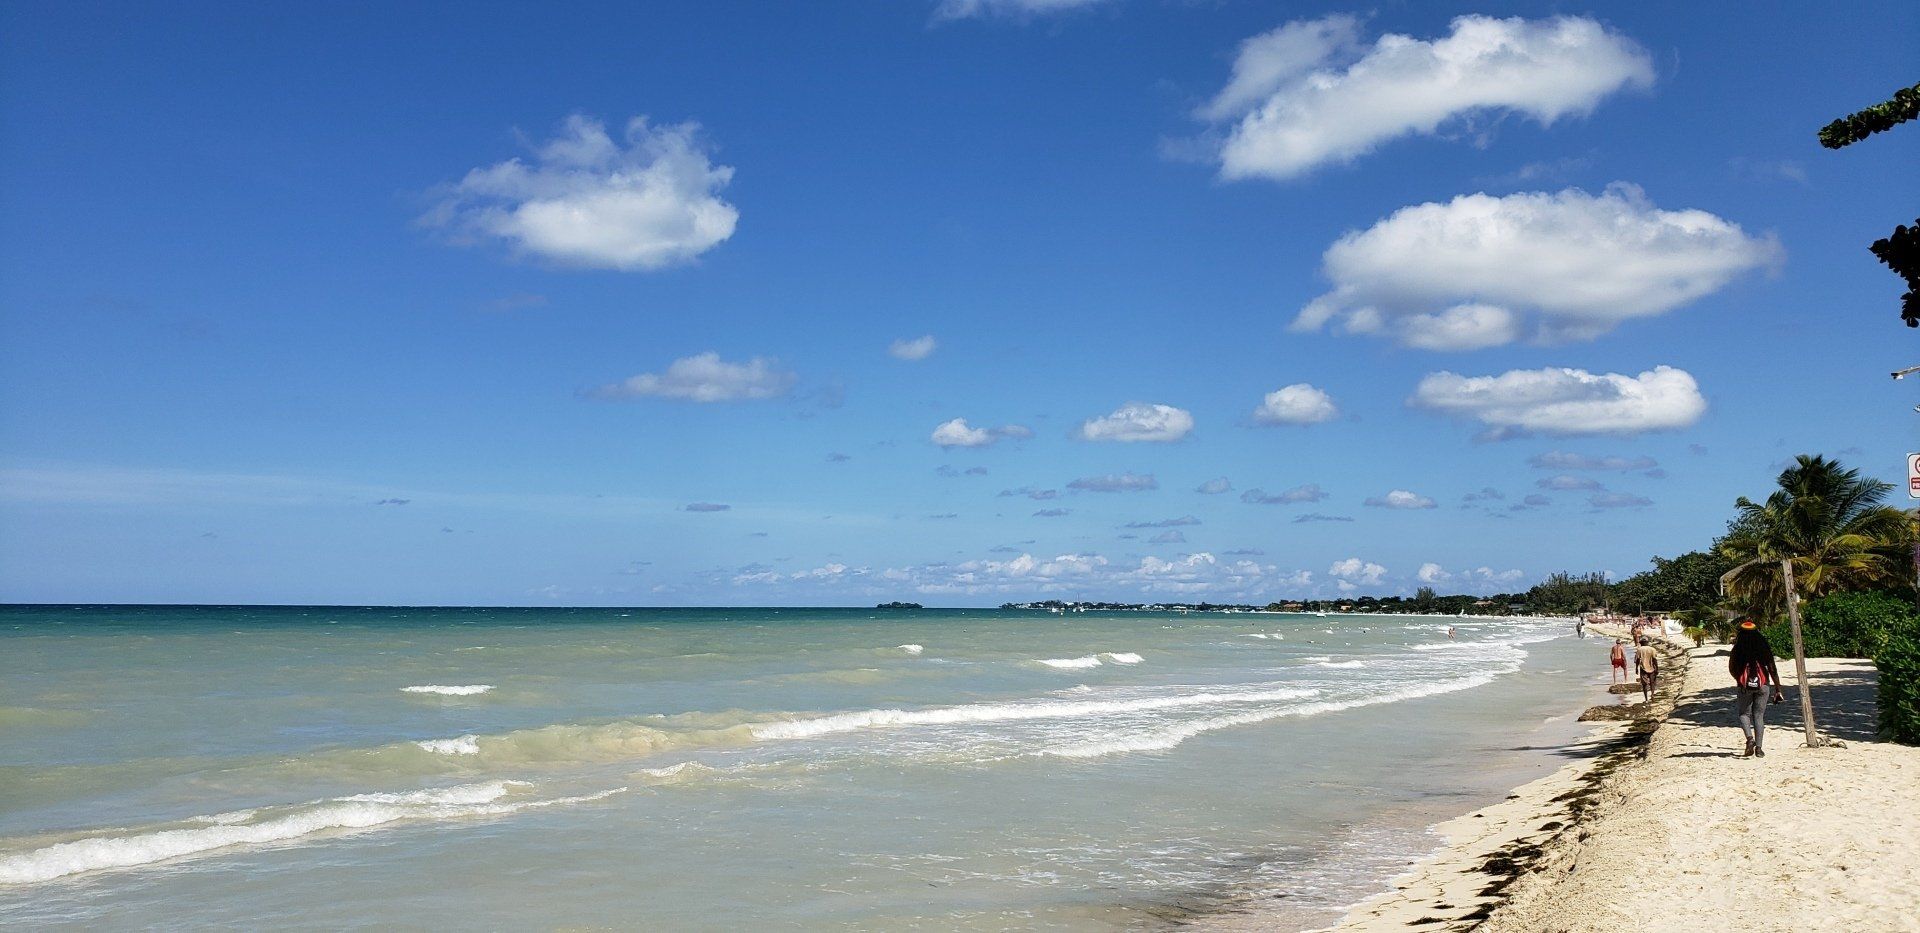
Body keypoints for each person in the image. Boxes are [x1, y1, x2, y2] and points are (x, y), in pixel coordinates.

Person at [1728, 619, 1785, 758]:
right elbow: (1772, 668)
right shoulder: (1763, 647)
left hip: (1744, 686)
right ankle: (1759, 749)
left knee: (1744, 714)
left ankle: (1749, 739)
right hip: (1763, 684)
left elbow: (1732, 668)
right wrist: (1778, 689)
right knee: (1759, 716)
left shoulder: (1738, 648)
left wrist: (1739, 680)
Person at [1634, 636, 1659, 702]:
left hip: (1643, 668)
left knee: (1644, 684)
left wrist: (1636, 668)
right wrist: (1657, 668)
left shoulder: (1639, 650)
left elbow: (1637, 660)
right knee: (1652, 682)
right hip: (1652, 668)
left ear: (1641, 643)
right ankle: (1652, 694)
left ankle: (1646, 699)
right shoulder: (1652, 649)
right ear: (1647, 642)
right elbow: (1654, 659)